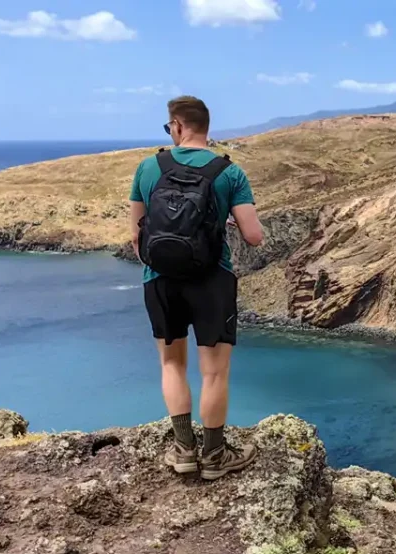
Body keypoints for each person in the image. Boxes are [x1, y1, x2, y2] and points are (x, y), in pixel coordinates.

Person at [128, 95, 265, 480]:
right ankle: (215, 456)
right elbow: (254, 236)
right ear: (204, 126)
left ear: (177, 125)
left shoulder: (148, 167)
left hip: (160, 281)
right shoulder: (229, 173)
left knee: (172, 363)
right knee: (214, 372)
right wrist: (229, 223)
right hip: (212, 281)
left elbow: (137, 234)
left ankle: (184, 450)